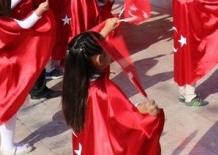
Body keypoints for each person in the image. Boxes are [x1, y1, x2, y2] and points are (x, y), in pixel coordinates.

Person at [0, 0, 55, 154]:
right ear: (2, 5)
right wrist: (39, 11)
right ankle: (8, 147)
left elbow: (6, 6)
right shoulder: (3, 23)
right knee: (9, 108)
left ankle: (7, 144)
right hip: (3, 73)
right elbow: (24, 25)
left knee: (7, 107)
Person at [62, 27, 165, 155]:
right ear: (100, 60)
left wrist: (106, 29)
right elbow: (124, 121)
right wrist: (150, 114)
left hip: (87, 144)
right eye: (107, 50)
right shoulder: (104, 91)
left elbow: (110, 113)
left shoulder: (73, 83)